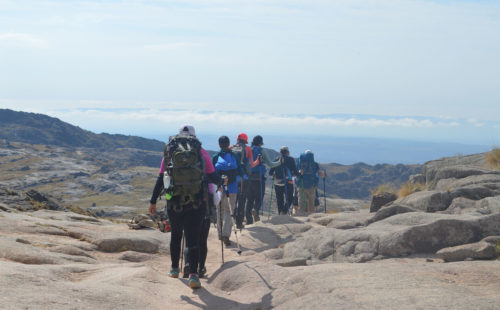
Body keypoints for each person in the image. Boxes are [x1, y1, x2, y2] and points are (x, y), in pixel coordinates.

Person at [149, 125, 216, 289]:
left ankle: (173, 269)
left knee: (176, 236)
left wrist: (152, 201)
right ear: (194, 137)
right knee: (193, 240)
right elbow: (213, 176)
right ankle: (194, 275)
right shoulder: (201, 153)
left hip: (174, 202)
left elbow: (161, 178)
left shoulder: (170, 153)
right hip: (196, 203)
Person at [212, 136, 244, 246]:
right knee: (229, 211)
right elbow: (240, 171)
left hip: (219, 187)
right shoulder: (234, 156)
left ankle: (220, 234)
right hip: (232, 187)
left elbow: (211, 173)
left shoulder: (216, 157)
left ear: (219, 144)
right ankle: (226, 235)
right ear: (229, 143)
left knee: (219, 210)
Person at [245, 135, 280, 223]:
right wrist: (280, 162)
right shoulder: (262, 150)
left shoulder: (248, 149)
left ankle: (249, 221)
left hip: (248, 177)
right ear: (261, 143)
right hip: (259, 178)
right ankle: (256, 209)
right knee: (259, 197)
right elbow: (271, 164)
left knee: (249, 199)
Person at [230, 133, 259, 229]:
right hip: (243, 179)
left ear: (238, 139)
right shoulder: (248, 149)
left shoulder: (231, 147)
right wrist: (258, 161)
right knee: (242, 201)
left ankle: (231, 221)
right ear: (245, 141)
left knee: (233, 200)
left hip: (232, 178)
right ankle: (239, 223)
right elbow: (251, 164)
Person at [269, 146, 298, 215]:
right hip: (288, 181)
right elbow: (296, 172)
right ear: (288, 152)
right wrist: (298, 173)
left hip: (277, 182)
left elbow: (270, 172)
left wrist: (273, 175)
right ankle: (284, 212)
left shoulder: (276, 159)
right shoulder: (291, 159)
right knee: (290, 198)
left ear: (280, 152)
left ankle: (280, 213)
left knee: (279, 199)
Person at [295, 150, 325, 215]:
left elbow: (295, 172)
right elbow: (320, 173)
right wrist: (324, 175)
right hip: (312, 186)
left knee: (302, 202)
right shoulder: (314, 164)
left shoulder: (300, 163)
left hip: (301, 185)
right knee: (311, 202)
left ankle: (301, 216)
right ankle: (312, 216)